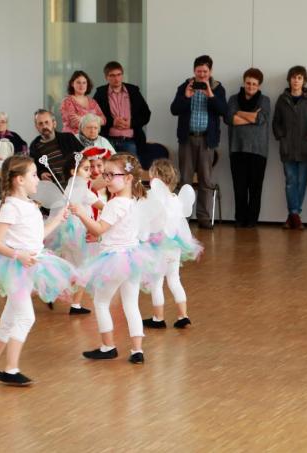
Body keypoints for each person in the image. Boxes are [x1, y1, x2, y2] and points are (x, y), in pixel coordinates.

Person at [0, 155, 75, 386]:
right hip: (16, 268)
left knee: (9, 319)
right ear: (19, 180)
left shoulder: (29, 205)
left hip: (31, 264)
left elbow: (37, 237)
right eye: (34, 175)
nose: (38, 180)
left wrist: (58, 219)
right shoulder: (10, 207)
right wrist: (19, 255)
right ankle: (11, 369)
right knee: (26, 317)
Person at [74, 154, 163, 364]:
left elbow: (99, 228)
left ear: (128, 178)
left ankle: (108, 347)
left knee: (101, 301)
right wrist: (99, 236)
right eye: (105, 174)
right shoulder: (134, 202)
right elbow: (117, 231)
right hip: (132, 258)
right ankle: (137, 350)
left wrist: (81, 213)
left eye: (111, 175)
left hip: (114, 260)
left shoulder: (114, 204)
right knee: (131, 303)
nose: (106, 179)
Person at [143, 159, 204, 329]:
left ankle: (158, 318)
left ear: (155, 176)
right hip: (174, 245)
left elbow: (146, 220)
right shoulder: (176, 198)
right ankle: (183, 316)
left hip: (157, 245)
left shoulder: (151, 197)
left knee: (156, 282)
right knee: (174, 280)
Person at [170, 55, 228, 229]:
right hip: (187, 139)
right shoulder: (184, 86)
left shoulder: (217, 88)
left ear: (210, 71)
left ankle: (204, 217)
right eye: (199, 71)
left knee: (205, 180)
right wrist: (186, 96)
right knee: (185, 180)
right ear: (194, 71)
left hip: (207, 140)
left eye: (205, 71)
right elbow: (174, 109)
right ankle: (184, 218)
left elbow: (223, 111)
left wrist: (211, 95)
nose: (202, 75)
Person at [43, 154, 106, 315]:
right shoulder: (83, 190)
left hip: (66, 233)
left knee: (70, 265)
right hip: (80, 233)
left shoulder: (69, 188)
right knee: (85, 267)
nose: (90, 172)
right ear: (73, 171)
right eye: (86, 169)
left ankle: (51, 287)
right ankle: (75, 304)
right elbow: (104, 208)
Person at [273, 65, 307, 230]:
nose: (296, 81)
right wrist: (282, 137)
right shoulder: (282, 99)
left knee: (302, 182)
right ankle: (295, 215)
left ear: (304, 80)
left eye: (299, 78)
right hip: (288, 148)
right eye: (293, 77)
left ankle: (292, 216)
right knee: (290, 182)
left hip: (306, 148)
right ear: (289, 80)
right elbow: (276, 122)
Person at [226, 68, 271, 228]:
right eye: (248, 83)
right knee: (239, 188)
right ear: (244, 82)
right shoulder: (233, 99)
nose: (251, 86)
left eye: (254, 84)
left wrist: (239, 113)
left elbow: (261, 119)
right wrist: (251, 116)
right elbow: (230, 119)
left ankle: (252, 220)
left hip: (258, 151)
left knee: (255, 189)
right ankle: (240, 219)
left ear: (259, 85)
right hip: (237, 149)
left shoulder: (264, 100)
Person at [93, 61, 151, 157]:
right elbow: (94, 117)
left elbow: (146, 114)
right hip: (107, 141)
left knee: (131, 166)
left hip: (131, 141)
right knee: (108, 167)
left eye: (119, 74)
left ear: (122, 75)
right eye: (112, 75)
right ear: (106, 77)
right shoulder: (100, 93)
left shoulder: (133, 91)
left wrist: (131, 123)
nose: (116, 78)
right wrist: (112, 122)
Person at [29, 109, 84, 185]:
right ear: (36, 127)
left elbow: (84, 156)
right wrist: (41, 174)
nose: (44, 126)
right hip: (54, 187)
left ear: (54, 123)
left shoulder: (68, 138)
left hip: (76, 182)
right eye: (40, 123)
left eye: (47, 122)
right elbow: (33, 169)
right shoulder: (34, 147)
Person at [60, 70, 107, 134]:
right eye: (78, 82)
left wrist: (82, 118)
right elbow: (74, 123)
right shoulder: (67, 101)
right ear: (72, 84)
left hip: (90, 137)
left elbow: (104, 120)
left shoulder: (92, 102)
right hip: (72, 137)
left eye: (84, 83)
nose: (81, 85)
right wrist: (96, 119)